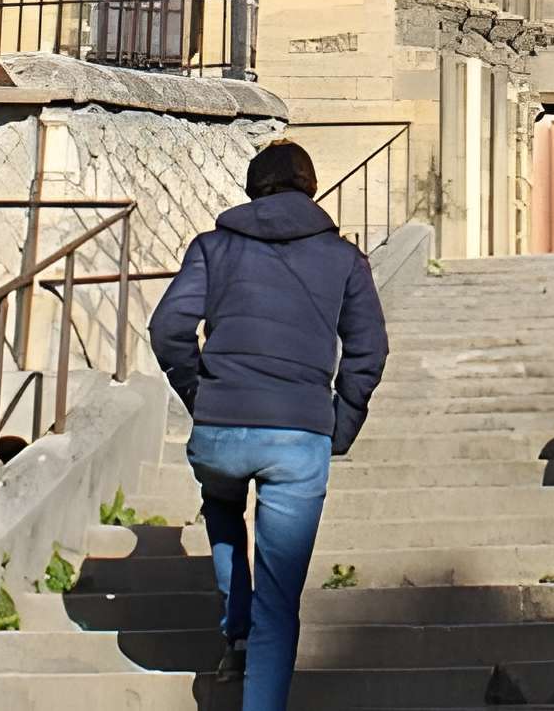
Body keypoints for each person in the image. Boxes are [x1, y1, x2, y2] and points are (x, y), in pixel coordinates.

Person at [150, 140, 387, 708]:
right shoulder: (345, 258)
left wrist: (199, 394)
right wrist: (340, 425)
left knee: (223, 502)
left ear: (253, 189)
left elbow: (167, 330)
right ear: (311, 189)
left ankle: (235, 628)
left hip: (221, 428)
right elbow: (369, 349)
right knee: (280, 602)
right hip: (300, 435)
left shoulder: (212, 247)